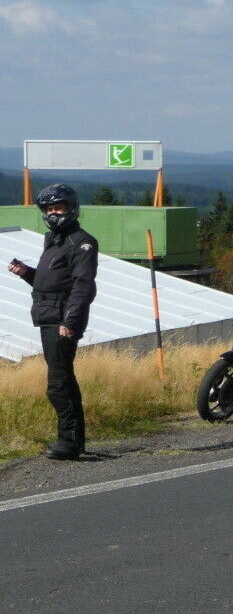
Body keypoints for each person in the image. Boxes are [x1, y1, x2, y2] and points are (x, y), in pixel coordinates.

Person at [7, 184, 98, 460]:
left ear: (71, 208)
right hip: (49, 316)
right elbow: (51, 283)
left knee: (58, 384)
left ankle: (68, 443)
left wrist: (69, 321)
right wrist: (26, 273)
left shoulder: (81, 242)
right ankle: (73, 441)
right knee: (64, 381)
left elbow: (83, 286)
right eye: (48, 209)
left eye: (58, 207)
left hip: (62, 320)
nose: (53, 213)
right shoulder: (55, 240)